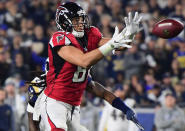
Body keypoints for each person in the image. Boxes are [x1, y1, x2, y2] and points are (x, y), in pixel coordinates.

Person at [40, 2, 143, 131]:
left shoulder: (89, 36)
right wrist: (112, 44)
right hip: (55, 103)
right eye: (76, 19)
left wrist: (130, 35)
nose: (81, 22)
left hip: (73, 108)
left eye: (82, 18)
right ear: (64, 22)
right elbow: (84, 61)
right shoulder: (59, 38)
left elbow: (120, 45)